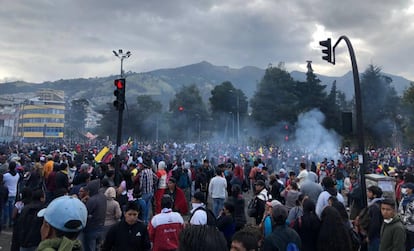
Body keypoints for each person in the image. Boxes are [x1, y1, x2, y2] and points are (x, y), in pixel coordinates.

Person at [81, 179, 107, 251]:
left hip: (91, 229)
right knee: (98, 248)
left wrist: (82, 202)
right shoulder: (103, 197)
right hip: (101, 227)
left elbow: (85, 213)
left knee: (89, 248)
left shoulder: (92, 200)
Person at [398, 182, 414, 250]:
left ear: (411, 190)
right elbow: (400, 210)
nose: (404, 189)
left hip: (412, 227)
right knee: (405, 245)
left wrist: (407, 220)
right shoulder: (404, 198)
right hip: (403, 227)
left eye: (406, 188)